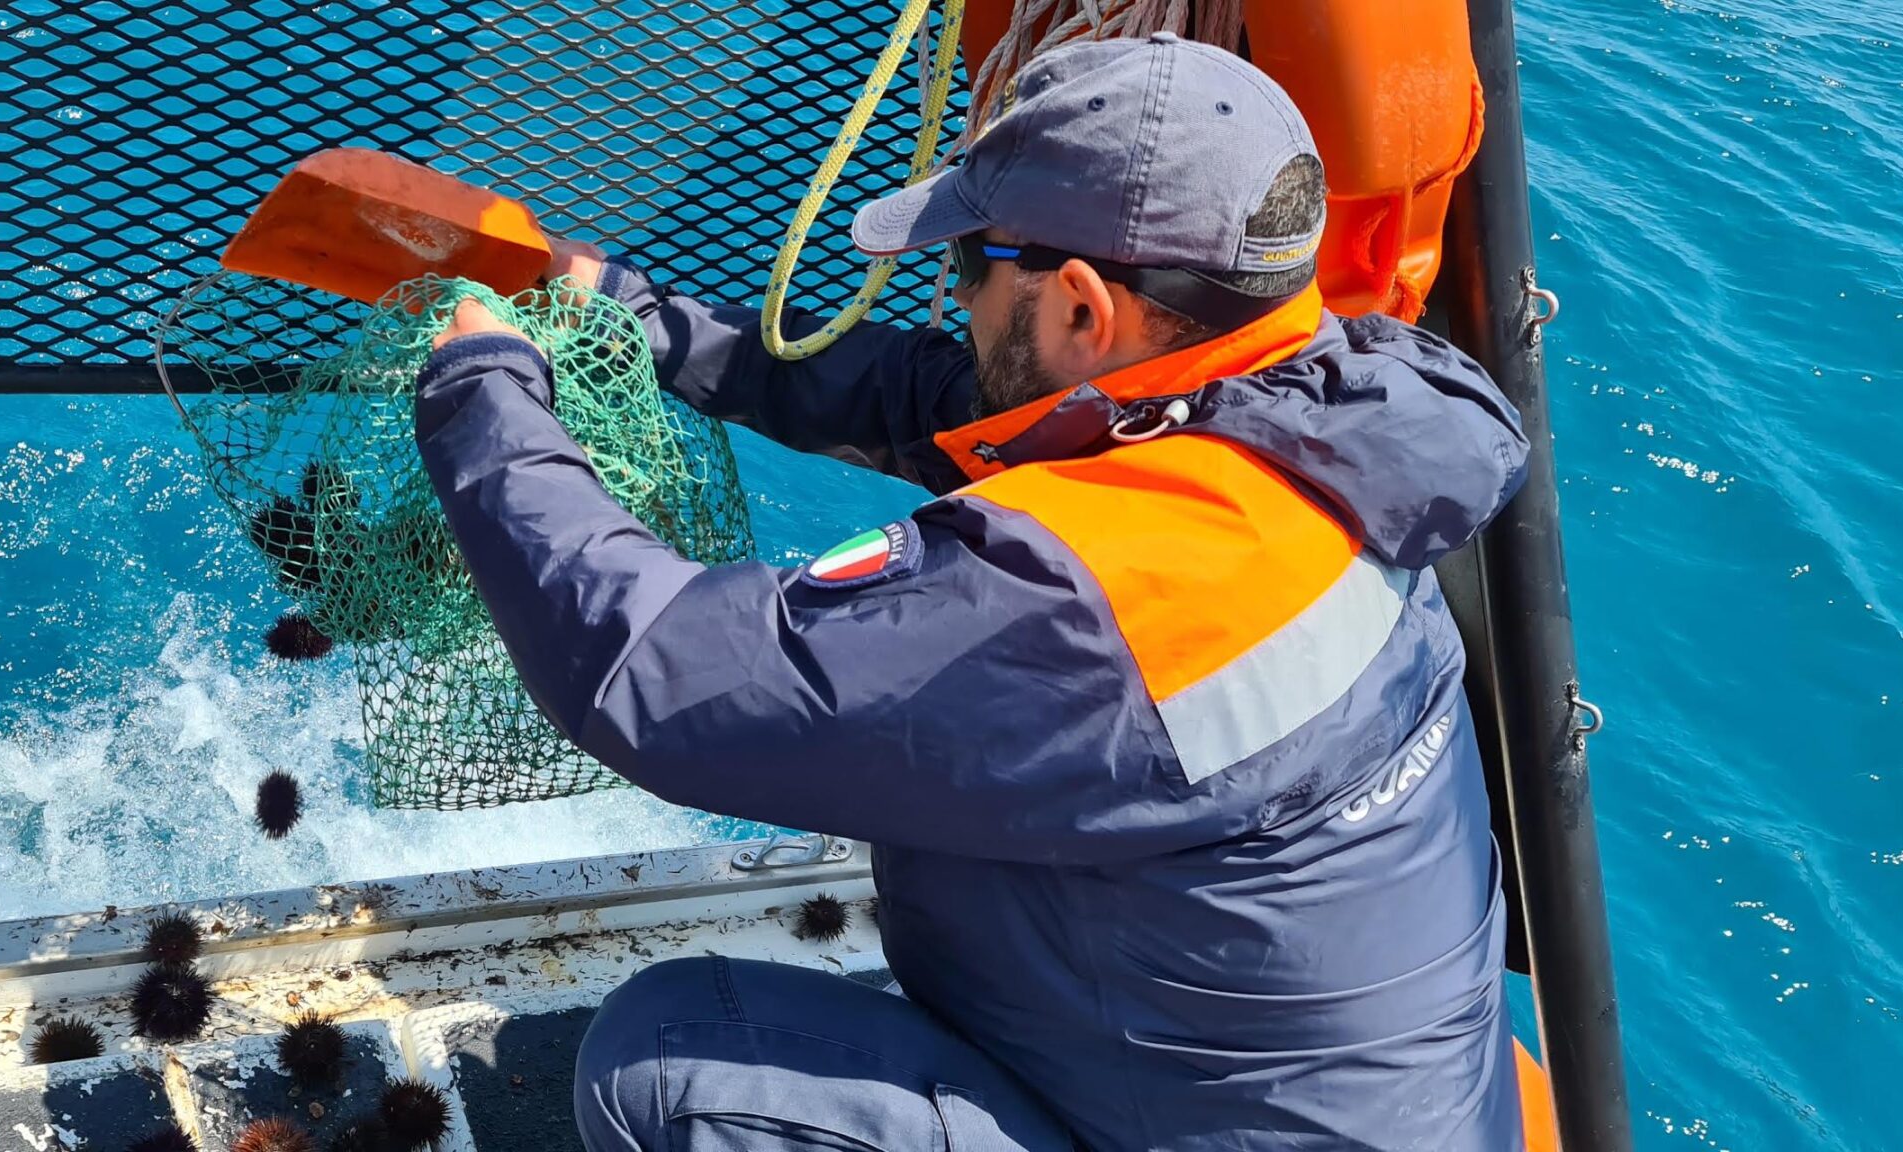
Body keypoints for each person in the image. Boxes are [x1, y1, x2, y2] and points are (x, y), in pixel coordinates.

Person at [412, 31, 1530, 1152]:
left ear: (1085, 307)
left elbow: (650, 674)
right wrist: (622, 309)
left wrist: (481, 388)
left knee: (664, 1062)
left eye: (968, 269)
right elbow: (945, 400)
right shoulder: (1330, 414)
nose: (958, 302)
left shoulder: (1099, 599)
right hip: (1336, 1104)